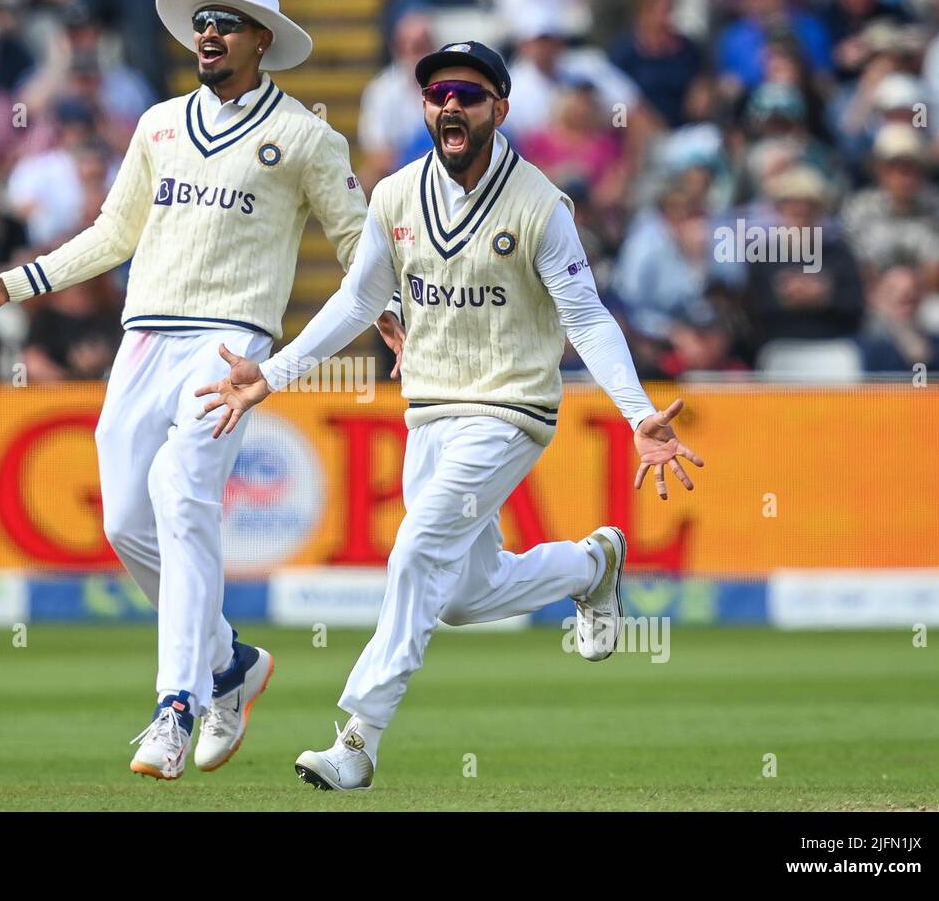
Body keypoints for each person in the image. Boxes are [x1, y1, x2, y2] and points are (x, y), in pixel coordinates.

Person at [195, 41, 704, 791]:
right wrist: (273, 374)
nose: (451, 107)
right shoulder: (396, 195)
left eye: (467, 94)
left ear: (499, 107)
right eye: (437, 95)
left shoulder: (539, 205)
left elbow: (587, 319)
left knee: (415, 550)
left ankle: (357, 740)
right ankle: (593, 564)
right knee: (462, 595)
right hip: (429, 411)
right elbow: (359, 301)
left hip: (510, 411)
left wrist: (636, 412)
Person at [0, 0, 388, 780]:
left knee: (183, 494)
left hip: (230, 343)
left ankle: (175, 705)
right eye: (201, 23)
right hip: (144, 336)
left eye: (227, 25)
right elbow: (113, 233)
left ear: (262, 40)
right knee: (127, 524)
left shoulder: (307, 137)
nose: (208, 35)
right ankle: (228, 663)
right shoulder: (159, 124)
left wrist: (389, 315)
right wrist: (13, 283)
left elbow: (359, 242)